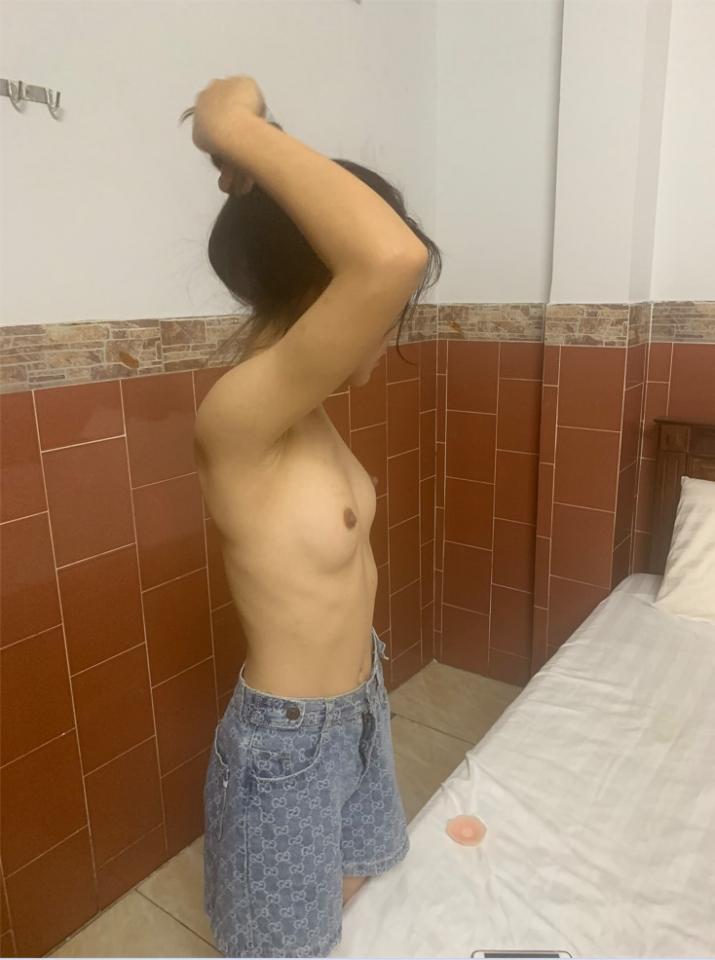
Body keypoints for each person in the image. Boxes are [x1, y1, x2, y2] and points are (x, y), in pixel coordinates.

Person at [183, 75, 442, 958]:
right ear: (329, 290)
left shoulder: (311, 414)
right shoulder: (239, 419)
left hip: (359, 710)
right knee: (284, 947)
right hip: (286, 749)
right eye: (381, 314)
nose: (387, 329)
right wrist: (231, 124)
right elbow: (391, 256)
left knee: (358, 896)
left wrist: (260, 148)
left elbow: (383, 259)